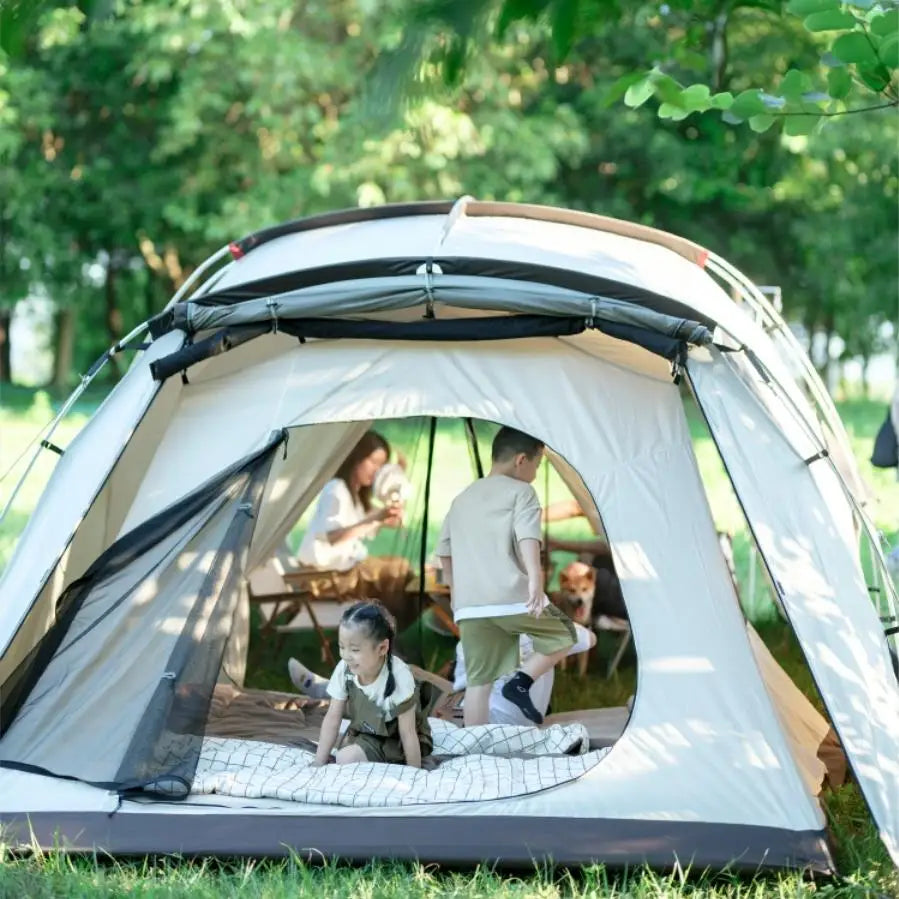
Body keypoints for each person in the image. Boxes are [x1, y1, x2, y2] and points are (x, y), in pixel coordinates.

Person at [437, 426, 576, 727]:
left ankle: (473, 755)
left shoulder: (462, 498)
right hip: (511, 599)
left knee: (478, 684)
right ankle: (521, 682)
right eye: (537, 466)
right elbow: (528, 537)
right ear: (521, 460)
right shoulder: (522, 492)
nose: (535, 475)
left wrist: (454, 594)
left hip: (470, 607)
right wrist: (536, 580)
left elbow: (444, 552)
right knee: (565, 635)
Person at [297, 430, 415, 630]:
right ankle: (393, 633)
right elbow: (334, 536)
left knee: (401, 567)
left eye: (381, 465)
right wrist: (377, 518)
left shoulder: (355, 494)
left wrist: (387, 515)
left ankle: (394, 630)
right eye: (373, 462)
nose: (376, 471)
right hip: (325, 578)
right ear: (355, 457)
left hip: (343, 572)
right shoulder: (335, 490)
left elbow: (367, 525)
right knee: (398, 573)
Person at [312, 601, 432, 767]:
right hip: (365, 733)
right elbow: (333, 717)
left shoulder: (399, 677)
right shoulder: (345, 668)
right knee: (344, 748)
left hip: (394, 740)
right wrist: (318, 763)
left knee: (345, 758)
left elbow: (408, 733)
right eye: (341, 647)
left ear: (382, 648)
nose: (346, 656)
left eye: (354, 650)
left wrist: (415, 774)